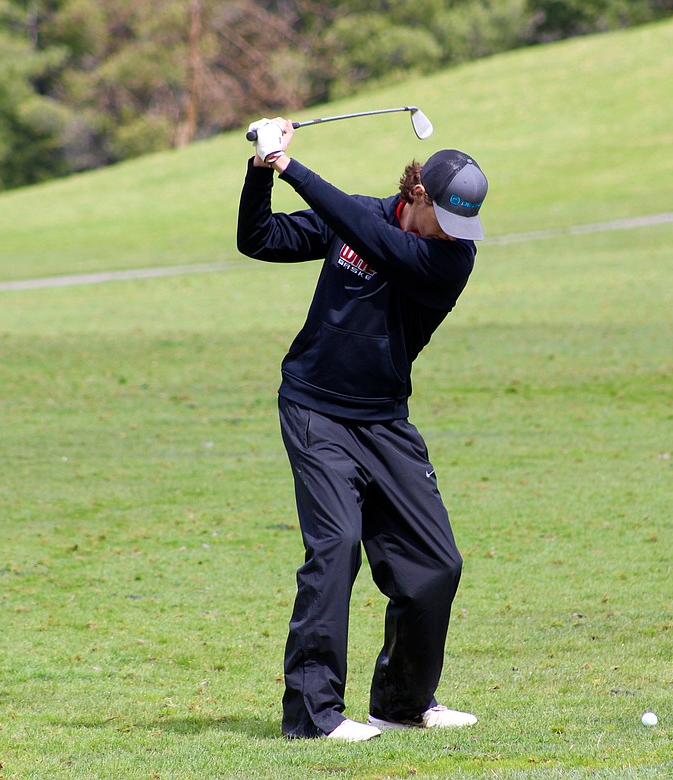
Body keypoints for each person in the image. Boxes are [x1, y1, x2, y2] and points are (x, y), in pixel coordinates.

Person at [236, 117, 489, 742]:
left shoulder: (449, 259)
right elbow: (258, 238)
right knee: (335, 550)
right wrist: (259, 169)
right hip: (315, 408)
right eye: (445, 217)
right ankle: (314, 716)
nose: (453, 234)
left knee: (436, 564)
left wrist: (291, 166)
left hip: (383, 421)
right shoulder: (363, 215)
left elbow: (374, 238)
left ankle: (401, 704)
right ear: (419, 195)